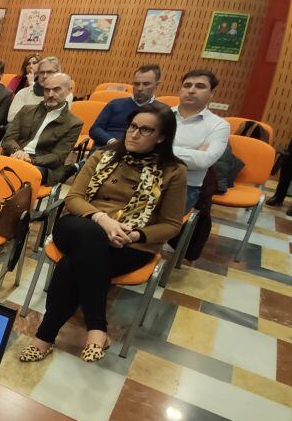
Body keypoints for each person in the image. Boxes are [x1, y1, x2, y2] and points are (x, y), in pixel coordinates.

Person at [20, 104, 186, 364]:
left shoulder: (173, 171)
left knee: (70, 265)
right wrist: (102, 219)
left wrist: (134, 235)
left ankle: (44, 337)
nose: (134, 134)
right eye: (132, 127)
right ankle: (97, 327)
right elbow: (74, 197)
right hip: (80, 223)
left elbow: (172, 224)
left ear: (161, 137)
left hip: (129, 242)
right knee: (90, 235)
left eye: (145, 130)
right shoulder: (104, 155)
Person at [0, 72, 84, 184]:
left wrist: (29, 159)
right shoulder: (27, 110)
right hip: (15, 156)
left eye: (56, 89)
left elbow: (57, 157)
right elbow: (8, 138)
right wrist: (18, 151)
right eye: (47, 90)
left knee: (19, 175)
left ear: (69, 90)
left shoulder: (73, 123)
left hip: (41, 165)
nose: (50, 94)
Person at [171, 69, 230, 211]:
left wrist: (158, 149)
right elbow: (138, 148)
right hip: (145, 177)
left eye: (200, 86)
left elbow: (203, 161)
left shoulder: (219, 125)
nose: (191, 90)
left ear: (212, 94)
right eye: (187, 85)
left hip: (184, 187)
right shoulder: (161, 115)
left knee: (148, 225)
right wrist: (192, 153)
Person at [89, 65, 162, 146]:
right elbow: (95, 129)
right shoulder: (115, 104)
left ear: (157, 85)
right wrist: (112, 142)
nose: (140, 88)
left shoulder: (161, 110)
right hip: (108, 148)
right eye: (137, 84)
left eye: (146, 84)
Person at [8, 55, 72, 122]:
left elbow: (57, 119)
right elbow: (11, 117)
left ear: (58, 73)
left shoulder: (65, 94)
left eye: (49, 72)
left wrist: (26, 115)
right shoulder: (23, 93)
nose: (45, 76)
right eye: (41, 72)